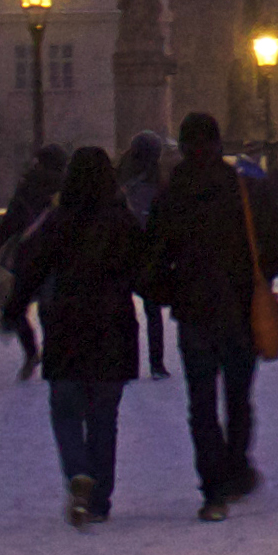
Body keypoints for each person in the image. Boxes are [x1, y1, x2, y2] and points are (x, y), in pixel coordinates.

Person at [141, 112, 278, 522]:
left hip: (194, 312)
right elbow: (277, 239)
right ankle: (237, 467)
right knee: (239, 398)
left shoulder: (171, 197)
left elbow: (149, 262)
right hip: (240, 308)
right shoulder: (243, 189)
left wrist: (171, 293)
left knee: (201, 404)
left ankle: (212, 489)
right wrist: (259, 275)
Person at [2, 144, 153, 526]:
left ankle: (77, 472)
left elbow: (31, 270)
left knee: (66, 410)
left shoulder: (58, 221)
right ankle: (100, 500)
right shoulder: (124, 222)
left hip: (66, 326)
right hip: (113, 328)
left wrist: (14, 309)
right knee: (105, 416)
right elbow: (146, 274)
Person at [0, 143, 60, 378]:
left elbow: (10, 224)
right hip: (57, 257)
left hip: (29, 258)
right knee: (50, 308)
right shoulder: (68, 188)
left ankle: (30, 353)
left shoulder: (28, 187)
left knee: (17, 307)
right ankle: (51, 355)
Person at [121, 128, 174, 372]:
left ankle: (128, 361)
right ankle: (157, 363)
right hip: (151, 254)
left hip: (124, 253)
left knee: (124, 312)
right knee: (153, 312)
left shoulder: (119, 180)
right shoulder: (161, 183)